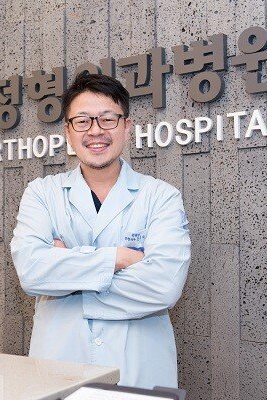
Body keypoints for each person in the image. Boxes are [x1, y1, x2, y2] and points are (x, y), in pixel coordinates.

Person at [10, 72, 191, 388]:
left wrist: (68, 278)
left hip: (138, 369)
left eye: (108, 119)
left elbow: (164, 286)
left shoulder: (161, 196)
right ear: (68, 131)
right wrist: (119, 258)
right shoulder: (41, 193)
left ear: (126, 127)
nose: (95, 131)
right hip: (59, 367)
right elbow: (32, 273)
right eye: (82, 121)